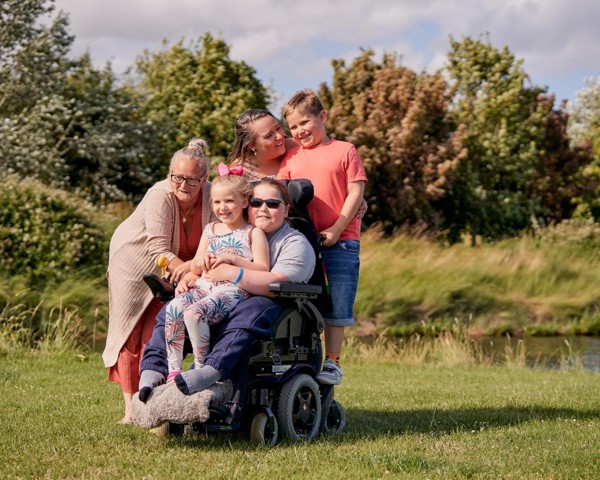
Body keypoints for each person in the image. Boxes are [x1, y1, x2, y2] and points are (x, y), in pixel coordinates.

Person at [139, 178, 316, 398]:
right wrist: (193, 274)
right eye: (257, 202)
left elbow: (276, 283)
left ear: (286, 208)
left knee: (249, 310)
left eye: (272, 203)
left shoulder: (294, 242)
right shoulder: (225, 230)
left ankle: (210, 369)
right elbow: (203, 259)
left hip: (274, 299)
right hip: (217, 290)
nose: (262, 209)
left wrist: (233, 271)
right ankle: (155, 368)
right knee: (171, 309)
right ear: (247, 204)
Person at [103, 138, 214, 424]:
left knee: (159, 330)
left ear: (204, 179)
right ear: (169, 174)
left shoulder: (211, 196)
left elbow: (216, 235)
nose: (183, 185)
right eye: (176, 177)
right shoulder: (159, 195)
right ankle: (131, 409)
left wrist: (196, 268)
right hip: (136, 260)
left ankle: (156, 398)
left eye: (191, 179)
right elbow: (157, 249)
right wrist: (188, 270)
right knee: (129, 331)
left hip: (178, 268)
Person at [277, 88, 368, 386]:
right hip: (303, 243)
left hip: (342, 239)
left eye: (305, 122)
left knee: (338, 303)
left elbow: (356, 192)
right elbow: (279, 192)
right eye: (293, 126)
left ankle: (333, 361)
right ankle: (304, 357)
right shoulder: (291, 157)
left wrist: (338, 228)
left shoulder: (345, 150)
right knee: (304, 301)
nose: (300, 130)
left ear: (322, 117)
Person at [164, 169, 269, 393]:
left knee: (194, 314)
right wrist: (193, 271)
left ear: (244, 201)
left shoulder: (253, 233)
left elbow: (262, 268)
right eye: (217, 202)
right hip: (205, 285)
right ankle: (173, 371)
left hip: (234, 288)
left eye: (229, 201)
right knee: (173, 308)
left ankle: (201, 369)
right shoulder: (210, 229)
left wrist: (233, 259)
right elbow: (196, 264)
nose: (222, 207)